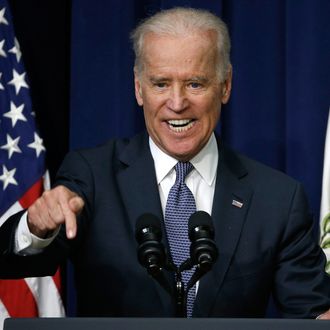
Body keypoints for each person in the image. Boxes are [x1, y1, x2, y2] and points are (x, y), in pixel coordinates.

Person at [1, 7, 330, 319]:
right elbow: (16, 263)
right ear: (138, 87)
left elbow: (311, 310)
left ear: (225, 85)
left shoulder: (277, 199)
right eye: (161, 84)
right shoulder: (93, 175)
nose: (177, 103)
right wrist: (35, 227)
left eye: (194, 84)